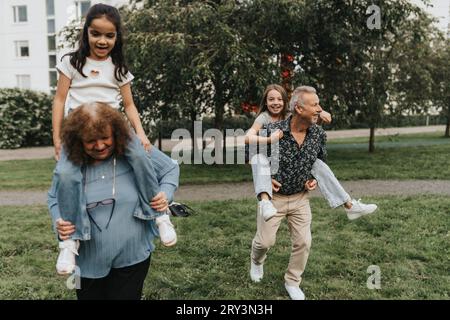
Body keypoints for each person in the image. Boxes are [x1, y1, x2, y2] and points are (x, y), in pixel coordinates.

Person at [51, 4, 176, 275]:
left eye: (109, 35)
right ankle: (70, 241)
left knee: (141, 157)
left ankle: (160, 216)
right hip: (79, 129)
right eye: (96, 34)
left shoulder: (118, 67)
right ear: (86, 33)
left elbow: (129, 106)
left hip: (114, 126)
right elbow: (60, 100)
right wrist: (57, 138)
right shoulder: (71, 62)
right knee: (65, 174)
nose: (102, 41)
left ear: (117, 37)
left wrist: (141, 135)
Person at [48, 103, 179, 300]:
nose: (99, 146)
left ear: (115, 133)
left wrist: (165, 194)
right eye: (91, 141)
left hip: (132, 255)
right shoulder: (71, 165)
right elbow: (53, 197)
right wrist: (59, 221)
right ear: (78, 140)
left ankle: (162, 220)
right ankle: (68, 247)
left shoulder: (135, 153)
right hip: (86, 261)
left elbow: (170, 169)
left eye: (105, 138)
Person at [245, 84, 377, 222]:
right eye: (271, 99)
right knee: (258, 159)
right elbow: (248, 143)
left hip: (294, 182)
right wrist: (266, 175)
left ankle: (349, 205)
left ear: (286, 102)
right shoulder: (264, 119)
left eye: (280, 99)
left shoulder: (289, 116)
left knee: (318, 163)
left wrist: (320, 113)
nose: (276, 103)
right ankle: (265, 202)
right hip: (272, 172)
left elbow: (307, 116)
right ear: (265, 102)